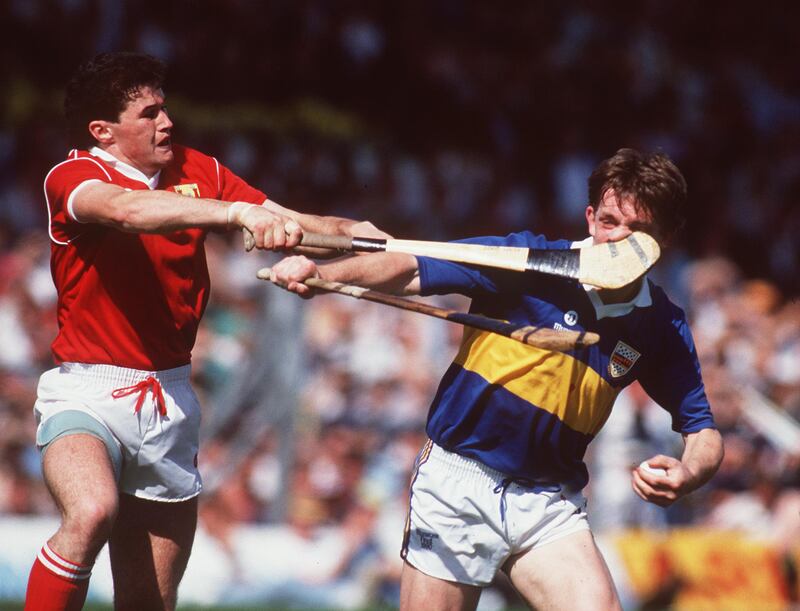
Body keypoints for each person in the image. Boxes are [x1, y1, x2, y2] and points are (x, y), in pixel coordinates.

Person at [270, 148, 724, 610]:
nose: (617, 239)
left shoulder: (662, 324)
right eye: (609, 221)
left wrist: (688, 473)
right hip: (457, 483)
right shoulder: (524, 259)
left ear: (667, 237)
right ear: (589, 218)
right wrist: (325, 273)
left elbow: (702, 431)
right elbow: (409, 266)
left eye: (639, 230)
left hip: (548, 501)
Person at [27, 51, 383, 611]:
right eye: (148, 114)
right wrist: (237, 215)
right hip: (87, 391)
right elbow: (128, 211)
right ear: (104, 131)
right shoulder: (75, 176)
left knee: (150, 601)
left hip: (170, 398)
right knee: (92, 510)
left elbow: (292, 223)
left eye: (164, 109)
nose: (166, 122)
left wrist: (351, 233)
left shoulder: (201, 170)